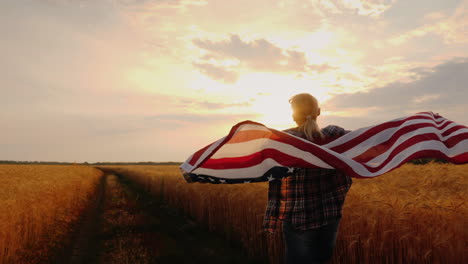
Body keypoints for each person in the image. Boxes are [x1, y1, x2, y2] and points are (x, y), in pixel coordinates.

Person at [263, 93, 352, 264]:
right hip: (329, 215)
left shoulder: (283, 141)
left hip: (297, 218)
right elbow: (365, 140)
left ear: (293, 116)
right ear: (318, 111)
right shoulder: (335, 134)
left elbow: (266, 169)